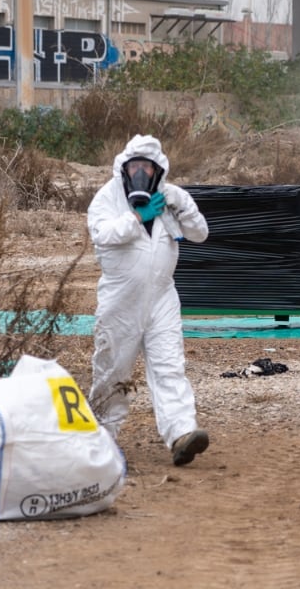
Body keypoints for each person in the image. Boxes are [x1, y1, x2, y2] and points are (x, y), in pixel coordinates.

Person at [87, 134, 212, 467]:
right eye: (135, 166)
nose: (140, 172)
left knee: (170, 364)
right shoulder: (107, 197)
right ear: (124, 168)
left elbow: (200, 233)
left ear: (159, 170)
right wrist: (137, 218)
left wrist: (181, 207)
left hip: (161, 296)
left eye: (147, 167)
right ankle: (100, 438)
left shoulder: (170, 196)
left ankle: (181, 433)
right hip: (121, 299)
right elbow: (102, 234)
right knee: (113, 369)